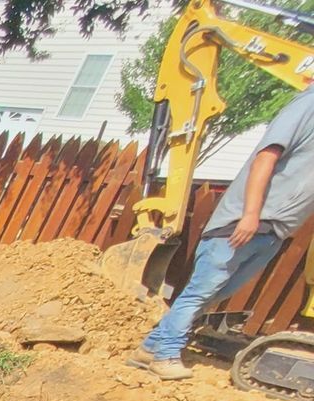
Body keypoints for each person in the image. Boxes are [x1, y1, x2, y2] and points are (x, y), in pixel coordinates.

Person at [133, 84, 314, 380]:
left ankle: (149, 349)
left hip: (273, 231)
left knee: (212, 294)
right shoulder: (305, 106)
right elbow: (265, 159)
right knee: (199, 292)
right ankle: (165, 355)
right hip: (243, 225)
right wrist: (250, 215)